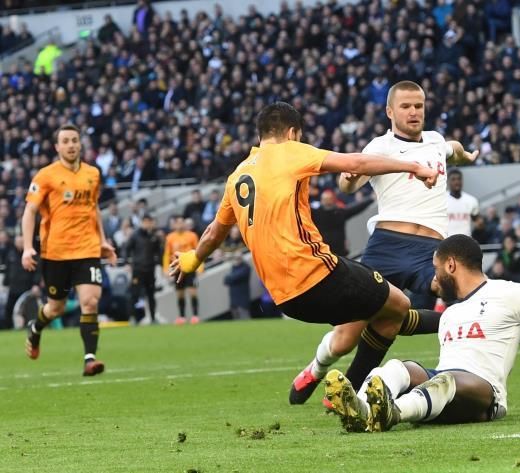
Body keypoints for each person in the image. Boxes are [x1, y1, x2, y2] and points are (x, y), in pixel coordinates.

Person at [168, 101, 439, 407]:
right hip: (318, 276)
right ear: (293, 132)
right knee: (397, 306)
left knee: (367, 321)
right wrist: (413, 167)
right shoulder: (291, 151)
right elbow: (356, 164)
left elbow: (214, 232)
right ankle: (352, 391)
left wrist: (192, 259)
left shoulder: (238, 176)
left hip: (286, 299)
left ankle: (318, 373)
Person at [290, 81, 480, 405]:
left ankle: (346, 392)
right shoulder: (379, 147)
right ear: (390, 111)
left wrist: (467, 156)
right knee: (347, 337)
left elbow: (455, 149)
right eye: (406, 106)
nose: (413, 112)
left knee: (452, 291)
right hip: (386, 248)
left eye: (418, 106)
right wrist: (348, 180)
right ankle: (317, 367)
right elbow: (348, 181)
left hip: (429, 250)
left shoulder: (435, 142)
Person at [322, 235, 520, 432]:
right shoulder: (452, 314)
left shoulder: (512, 293)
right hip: (440, 393)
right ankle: (361, 410)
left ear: (451, 265)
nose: (433, 278)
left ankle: (391, 414)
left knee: (445, 380)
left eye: (435, 269)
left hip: (484, 395)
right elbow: (410, 323)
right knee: (400, 367)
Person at [21, 123, 117, 376]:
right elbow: (29, 211)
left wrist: (103, 240)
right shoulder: (45, 176)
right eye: (65, 141)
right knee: (56, 309)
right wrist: (28, 248)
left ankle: (89, 359)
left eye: (74, 140)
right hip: (56, 253)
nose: (71, 145)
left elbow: (94, 208)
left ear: (80, 143)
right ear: (57, 146)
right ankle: (36, 327)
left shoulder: (92, 174)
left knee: (90, 301)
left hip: (87, 250)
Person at [311, 189, 374, 256]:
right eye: (326, 199)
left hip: (338, 249)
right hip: (326, 250)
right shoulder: (316, 214)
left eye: (328, 199)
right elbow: (355, 208)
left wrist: (370, 199)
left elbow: (356, 208)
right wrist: (370, 199)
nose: (327, 201)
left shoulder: (339, 213)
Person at [163, 216, 200, 324]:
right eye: (177, 223)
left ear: (184, 224)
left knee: (192, 292)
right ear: (174, 225)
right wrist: (166, 268)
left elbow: (198, 251)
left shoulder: (192, 236)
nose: (179, 225)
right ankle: (182, 317)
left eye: (181, 222)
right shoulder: (170, 237)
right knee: (180, 293)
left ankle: (195, 316)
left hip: (190, 267)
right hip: (177, 268)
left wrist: (200, 266)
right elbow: (166, 254)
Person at [126, 214, 161, 324]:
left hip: (150, 270)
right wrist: (128, 263)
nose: (147, 224)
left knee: (151, 295)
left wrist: (157, 262)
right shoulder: (135, 236)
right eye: (145, 221)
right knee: (135, 294)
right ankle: (133, 318)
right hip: (138, 270)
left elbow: (159, 251)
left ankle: (153, 318)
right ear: (141, 222)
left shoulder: (154, 236)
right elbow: (126, 249)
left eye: (149, 222)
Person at [2, 235, 41, 330]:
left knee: (29, 309)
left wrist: (36, 284)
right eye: (18, 242)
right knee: (9, 309)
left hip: (27, 288)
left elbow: (37, 271)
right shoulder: (11, 254)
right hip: (13, 288)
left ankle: (31, 327)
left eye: (21, 242)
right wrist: (5, 284)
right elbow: (8, 270)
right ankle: (8, 328)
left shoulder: (32, 255)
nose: (20, 244)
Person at [446, 169, 480, 237]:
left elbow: (476, 220)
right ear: (448, 182)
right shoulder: (442, 200)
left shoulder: (471, 200)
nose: (457, 182)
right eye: (453, 179)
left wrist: (480, 224)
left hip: (466, 241)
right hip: (447, 242)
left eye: (459, 179)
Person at [223, 252, 251, 320]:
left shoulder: (246, 267)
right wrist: (231, 278)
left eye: (238, 258)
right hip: (233, 301)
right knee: (236, 324)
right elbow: (226, 280)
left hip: (243, 301)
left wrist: (231, 277)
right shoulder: (234, 267)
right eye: (235, 258)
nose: (237, 259)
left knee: (245, 320)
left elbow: (234, 277)